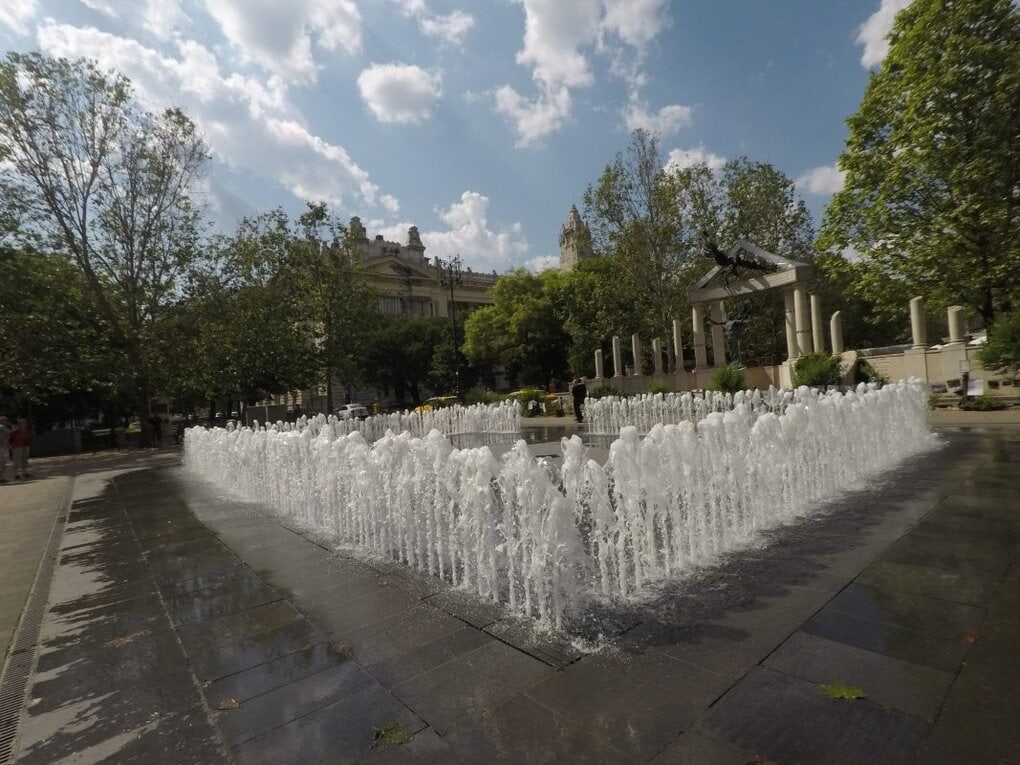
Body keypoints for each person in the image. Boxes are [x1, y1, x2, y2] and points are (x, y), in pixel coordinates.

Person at [0, 416, 10, 484]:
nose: (6, 421)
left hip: (4, 447)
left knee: (3, 463)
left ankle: (1, 477)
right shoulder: (1, 427)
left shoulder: (3, 427)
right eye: (5, 420)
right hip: (1, 448)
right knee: (2, 463)